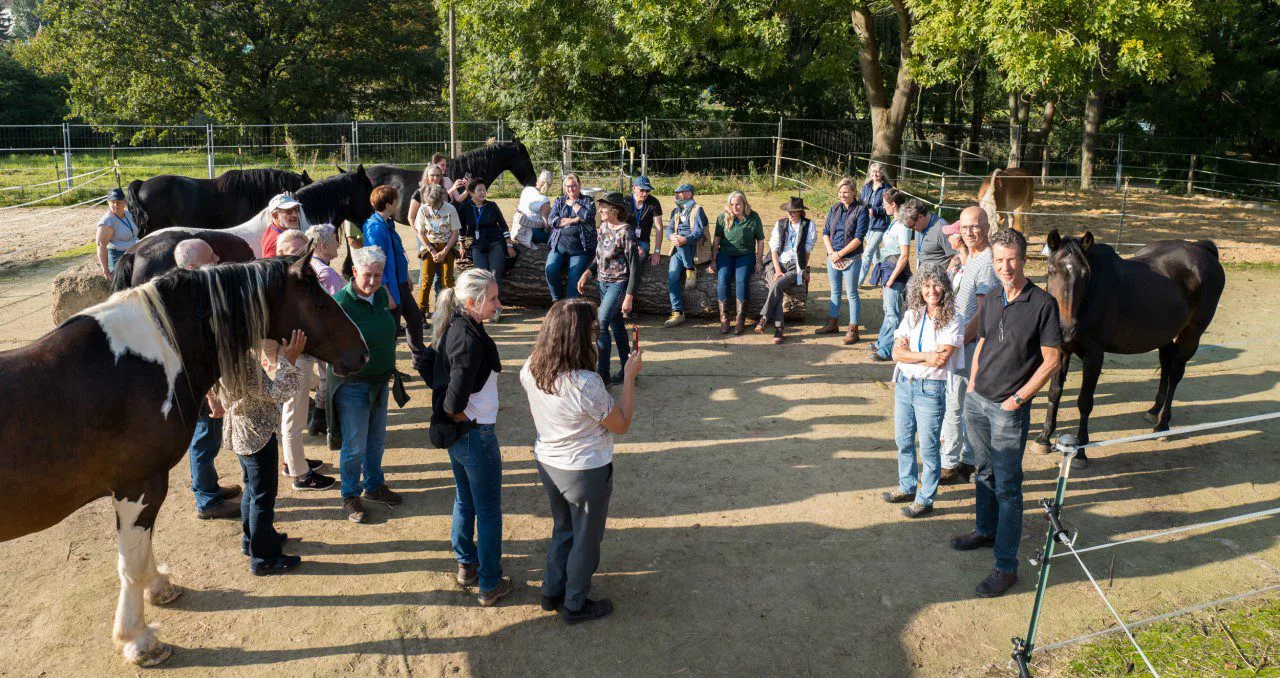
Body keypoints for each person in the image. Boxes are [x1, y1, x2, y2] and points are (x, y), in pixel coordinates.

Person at [950, 228, 1062, 598]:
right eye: (999, 260)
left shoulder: (1042, 304)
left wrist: (1019, 398)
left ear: (1024, 259)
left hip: (1007, 410)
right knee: (982, 472)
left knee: (1009, 486)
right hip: (978, 401)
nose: (1005, 266)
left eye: (1011, 259)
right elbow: (982, 338)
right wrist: (973, 381)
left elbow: (1051, 361)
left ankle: (1006, 566)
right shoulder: (994, 295)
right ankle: (985, 529)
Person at [520, 298, 643, 624]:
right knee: (586, 538)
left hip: (549, 462)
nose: (596, 337)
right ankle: (575, 604)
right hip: (585, 469)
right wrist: (629, 376)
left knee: (563, 528)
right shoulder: (585, 384)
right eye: (591, 331)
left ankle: (551, 590)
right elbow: (623, 424)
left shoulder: (531, 366)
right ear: (576, 336)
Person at [430, 268, 513, 606]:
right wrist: (459, 414)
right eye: (492, 298)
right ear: (471, 301)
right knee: (489, 511)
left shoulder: (463, 326)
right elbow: (453, 399)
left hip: (464, 437)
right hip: (475, 436)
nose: (498, 303)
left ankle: (467, 565)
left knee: (465, 500)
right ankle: (490, 584)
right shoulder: (467, 337)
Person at [211, 330, 308, 575]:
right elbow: (279, 393)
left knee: (252, 490)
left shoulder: (222, 351)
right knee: (263, 497)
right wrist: (290, 360)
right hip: (256, 434)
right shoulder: (239, 361)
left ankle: (252, 539)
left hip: (244, 430)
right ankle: (264, 558)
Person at [881, 263, 964, 519]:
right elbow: (896, 353)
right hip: (905, 384)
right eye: (926, 286)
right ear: (919, 288)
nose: (932, 291)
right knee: (903, 441)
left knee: (928, 447)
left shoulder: (953, 319)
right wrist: (926, 356)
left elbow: (942, 358)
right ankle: (906, 486)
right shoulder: (912, 315)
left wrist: (913, 357)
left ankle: (925, 498)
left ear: (945, 288)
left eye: (937, 285)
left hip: (931, 388)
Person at [327, 245, 402, 524]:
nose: (373, 281)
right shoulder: (339, 304)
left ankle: (373, 486)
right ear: (354, 272)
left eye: (378, 275)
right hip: (354, 385)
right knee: (355, 444)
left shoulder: (381, 294)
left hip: (380, 381)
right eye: (367, 275)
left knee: (376, 441)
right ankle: (349, 494)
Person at [173, 239, 241, 520]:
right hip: (200, 388)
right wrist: (212, 396)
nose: (217, 257)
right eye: (209, 256)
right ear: (191, 267)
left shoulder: (197, 292)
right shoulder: (188, 306)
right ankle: (208, 501)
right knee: (203, 440)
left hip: (208, 383)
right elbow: (193, 358)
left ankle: (208, 486)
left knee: (208, 440)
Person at [273, 233, 339, 491]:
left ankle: (293, 460)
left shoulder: (291, 277)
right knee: (294, 414)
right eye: (298, 251)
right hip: (291, 356)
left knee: (295, 413)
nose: (305, 256)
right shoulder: (280, 281)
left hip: (298, 353)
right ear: (282, 252)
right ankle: (300, 474)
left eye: (306, 251)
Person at [940, 207, 999, 485]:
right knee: (957, 405)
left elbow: (984, 311)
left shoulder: (986, 261)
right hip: (961, 342)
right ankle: (961, 461)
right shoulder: (971, 258)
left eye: (974, 226)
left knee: (959, 406)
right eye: (964, 228)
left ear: (986, 226)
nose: (968, 232)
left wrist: (959, 341)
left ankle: (956, 464)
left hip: (970, 345)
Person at [578, 191, 640, 385]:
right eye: (601, 206)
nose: (601, 210)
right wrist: (588, 272)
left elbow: (635, 266)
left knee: (601, 323)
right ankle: (628, 367)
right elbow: (600, 254)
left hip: (618, 284)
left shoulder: (626, 231)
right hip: (602, 283)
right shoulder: (603, 227)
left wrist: (629, 295)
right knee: (617, 326)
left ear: (614, 210)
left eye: (604, 207)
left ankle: (602, 373)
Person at [363, 185, 427, 359]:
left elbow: (397, 253)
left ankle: (419, 357)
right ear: (389, 204)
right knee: (391, 331)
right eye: (396, 201)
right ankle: (389, 368)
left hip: (399, 284)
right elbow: (374, 264)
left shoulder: (388, 223)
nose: (399, 204)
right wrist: (387, 293)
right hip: (389, 288)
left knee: (414, 319)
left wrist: (405, 276)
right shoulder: (375, 229)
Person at [815, 178, 870, 344]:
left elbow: (859, 238)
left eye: (846, 192)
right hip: (832, 256)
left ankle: (853, 329)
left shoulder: (861, 210)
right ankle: (833, 323)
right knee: (835, 291)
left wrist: (841, 254)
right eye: (840, 192)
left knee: (852, 293)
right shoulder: (835, 208)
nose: (842, 195)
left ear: (854, 192)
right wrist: (832, 253)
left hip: (851, 258)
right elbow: (825, 232)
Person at [303, 224, 345, 437]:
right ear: (322, 246)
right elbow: (341, 306)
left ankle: (318, 420)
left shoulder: (310, 265)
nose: (338, 243)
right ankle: (329, 423)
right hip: (326, 336)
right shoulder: (326, 273)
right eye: (334, 240)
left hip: (314, 334)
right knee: (332, 378)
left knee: (325, 378)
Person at [758, 197, 815, 344]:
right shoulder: (780, 224)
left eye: (793, 211)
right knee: (776, 285)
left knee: (776, 285)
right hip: (776, 263)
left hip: (794, 265)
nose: (790, 214)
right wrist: (777, 270)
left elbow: (807, 250)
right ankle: (779, 328)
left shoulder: (809, 225)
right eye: (788, 211)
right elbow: (774, 249)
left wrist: (804, 270)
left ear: (800, 212)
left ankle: (765, 318)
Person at [709, 190, 765, 335]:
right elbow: (716, 240)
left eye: (738, 204)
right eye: (732, 204)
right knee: (723, 279)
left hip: (745, 255)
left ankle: (740, 319)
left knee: (741, 280)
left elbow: (760, 240)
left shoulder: (753, 217)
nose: (735, 207)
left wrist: (759, 261)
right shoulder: (723, 217)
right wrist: (713, 260)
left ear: (744, 203)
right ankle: (725, 318)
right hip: (725, 255)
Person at [459, 180, 515, 319]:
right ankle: (483, 309)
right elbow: (461, 228)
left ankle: (496, 310)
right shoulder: (465, 207)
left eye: (484, 190)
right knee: (481, 279)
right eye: (480, 190)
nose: (483, 192)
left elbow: (503, 226)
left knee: (495, 276)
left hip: (495, 243)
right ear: (471, 193)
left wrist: (509, 245)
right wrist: (462, 245)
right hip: (477, 246)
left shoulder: (492, 206)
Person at [871, 189, 913, 362]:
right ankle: (882, 342)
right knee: (888, 309)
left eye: (885, 204)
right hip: (888, 268)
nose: (883, 207)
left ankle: (887, 350)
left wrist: (892, 277)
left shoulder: (903, 225)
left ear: (893, 205)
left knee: (892, 313)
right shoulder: (894, 222)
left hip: (895, 271)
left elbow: (904, 255)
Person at [544, 174, 596, 301]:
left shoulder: (588, 201)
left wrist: (574, 205)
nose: (570, 189)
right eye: (567, 186)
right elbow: (552, 220)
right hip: (559, 246)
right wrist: (573, 221)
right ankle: (556, 300)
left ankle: (570, 306)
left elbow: (588, 216)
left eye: (573, 186)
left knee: (574, 277)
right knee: (550, 270)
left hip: (580, 249)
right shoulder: (559, 201)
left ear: (579, 185)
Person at [413, 184, 462, 320]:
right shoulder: (423, 209)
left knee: (448, 279)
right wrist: (432, 250)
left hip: (447, 245)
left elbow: (455, 232)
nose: (433, 207)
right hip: (429, 246)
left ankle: (450, 309)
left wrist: (445, 251)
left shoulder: (450, 208)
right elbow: (420, 232)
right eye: (430, 204)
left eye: (436, 204)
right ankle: (421, 311)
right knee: (426, 279)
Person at [663, 183, 707, 328]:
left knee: (682, 241)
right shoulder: (675, 211)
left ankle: (690, 267)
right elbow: (668, 229)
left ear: (688, 194)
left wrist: (685, 239)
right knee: (672, 277)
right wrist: (672, 237)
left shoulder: (698, 210)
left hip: (693, 248)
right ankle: (677, 312)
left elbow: (698, 232)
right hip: (677, 248)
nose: (676, 195)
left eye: (679, 192)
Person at [858, 163, 894, 286]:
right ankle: (880, 276)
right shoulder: (866, 187)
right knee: (875, 253)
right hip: (866, 224)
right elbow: (861, 202)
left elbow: (890, 208)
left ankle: (858, 281)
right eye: (873, 171)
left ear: (882, 173)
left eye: (878, 171)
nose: (875, 174)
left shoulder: (887, 189)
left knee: (868, 252)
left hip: (880, 225)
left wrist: (876, 210)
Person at [95, 188, 140, 278]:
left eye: (119, 202)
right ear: (108, 202)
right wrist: (106, 271)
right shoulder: (107, 221)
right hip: (120, 260)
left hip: (134, 254)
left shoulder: (127, 214)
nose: (116, 205)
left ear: (125, 202)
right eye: (113, 202)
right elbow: (101, 246)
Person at [901, 198, 954, 269]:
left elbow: (955, 257)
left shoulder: (942, 229)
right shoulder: (919, 226)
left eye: (912, 226)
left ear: (920, 217)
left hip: (938, 278)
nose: (911, 229)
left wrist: (946, 277)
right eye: (908, 227)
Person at [625, 176, 664, 270]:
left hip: (643, 242)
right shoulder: (625, 201)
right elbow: (619, 227)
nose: (645, 193)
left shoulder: (654, 202)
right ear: (633, 188)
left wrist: (657, 252)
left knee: (635, 263)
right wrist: (632, 244)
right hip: (626, 240)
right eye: (642, 190)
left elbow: (659, 228)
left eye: (647, 190)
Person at [513, 170, 554, 248]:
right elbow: (547, 226)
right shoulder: (544, 200)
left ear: (538, 179)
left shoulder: (526, 189)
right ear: (550, 185)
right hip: (531, 233)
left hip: (518, 229)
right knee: (558, 235)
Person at [261, 193, 304, 258]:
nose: (296, 215)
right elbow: (268, 265)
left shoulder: (272, 227)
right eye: (289, 211)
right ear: (275, 216)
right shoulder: (276, 241)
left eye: (296, 209)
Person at [407, 163, 448, 229]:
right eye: (432, 175)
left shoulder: (444, 193)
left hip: (444, 236)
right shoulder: (418, 194)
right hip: (424, 236)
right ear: (427, 177)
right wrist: (419, 235)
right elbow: (411, 217)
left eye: (438, 175)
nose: (435, 178)